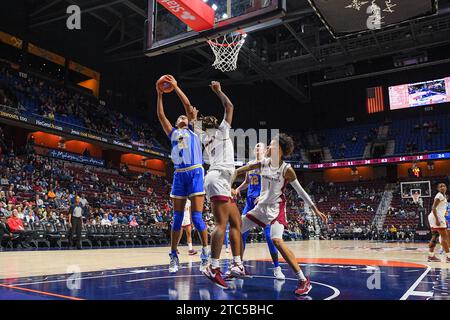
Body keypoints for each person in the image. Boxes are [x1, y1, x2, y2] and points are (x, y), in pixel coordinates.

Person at [232, 134, 327, 295]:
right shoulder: (263, 163)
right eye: (268, 145)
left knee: (276, 240)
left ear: (281, 151)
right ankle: (237, 265)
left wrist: (315, 209)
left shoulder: (286, 169)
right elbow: (239, 170)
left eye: (272, 145)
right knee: (235, 229)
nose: (268, 148)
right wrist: (229, 181)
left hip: (276, 209)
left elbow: (300, 191)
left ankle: (303, 280)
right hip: (260, 208)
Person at [156, 75, 209, 273]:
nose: (182, 117)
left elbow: (187, 106)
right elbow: (161, 116)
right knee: (177, 218)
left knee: (196, 218)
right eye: (179, 117)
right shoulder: (172, 133)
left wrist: (176, 87)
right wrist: (159, 94)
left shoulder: (195, 130)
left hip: (195, 172)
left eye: (184, 117)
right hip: (179, 174)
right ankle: (173, 255)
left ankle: (205, 252)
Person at [197, 81, 244, 288]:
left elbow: (194, 122)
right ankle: (213, 267)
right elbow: (229, 107)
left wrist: (192, 115)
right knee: (221, 225)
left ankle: (237, 264)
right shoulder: (222, 131)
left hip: (222, 181)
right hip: (218, 178)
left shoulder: (203, 138)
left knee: (236, 223)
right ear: (215, 124)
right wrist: (218, 91)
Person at [233, 142, 284, 280]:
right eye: (255, 146)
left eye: (259, 146)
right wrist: (238, 189)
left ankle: (277, 267)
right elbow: (247, 182)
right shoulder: (250, 164)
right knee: (240, 232)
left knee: (269, 236)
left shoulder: (267, 164)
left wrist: (263, 196)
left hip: (263, 203)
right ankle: (239, 266)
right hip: (250, 202)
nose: (256, 148)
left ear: (264, 150)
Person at [427, 183, 449, 262]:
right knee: (444, 236)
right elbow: (433, 207)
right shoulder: (439, 196)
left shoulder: (443, 196)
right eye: (441, 186)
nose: (443, 187)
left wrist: (443, 219)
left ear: (446, 188)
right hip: (436, 217)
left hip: (435, 217)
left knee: (435, 236)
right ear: (438, 189)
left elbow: (441, 209)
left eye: (444, 186)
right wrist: (437, 219)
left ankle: (431, 255)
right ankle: (448, 256)